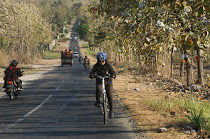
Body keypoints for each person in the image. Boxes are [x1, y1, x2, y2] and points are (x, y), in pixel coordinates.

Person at [89, 52, 116, 118]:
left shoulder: (108, 65)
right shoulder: (96, 66)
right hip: (100, 81)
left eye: (103, 61)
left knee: (110, 95)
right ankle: (98, 102)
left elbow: (113, 72)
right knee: (98, 89)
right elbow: (92, 72)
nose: (102, 63)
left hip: (108, 81)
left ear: (105, 60)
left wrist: (113, 75)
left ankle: (111, 111)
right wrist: (92, 75)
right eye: (100, 61)